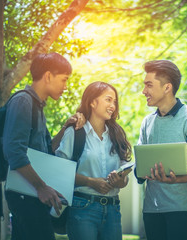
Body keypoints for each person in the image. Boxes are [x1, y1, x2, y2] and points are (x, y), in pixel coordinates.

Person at [3, 52, 84, 240]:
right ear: (48, 76)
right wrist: (41, 187)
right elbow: (14, 152)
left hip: (32, 194)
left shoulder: (37, 106)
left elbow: (48, 151)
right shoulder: (23, 101)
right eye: (63, 80)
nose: (65, 87)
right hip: (26, 194)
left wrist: (65, 128)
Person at [134, 60, 187, 240]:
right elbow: (139, 168)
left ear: (167, 87)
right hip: (152, 209)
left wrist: (174, 180)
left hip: (183, 210)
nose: (144, 91)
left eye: (149, 85)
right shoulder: (147, 122)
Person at [55, 81, 132, 240]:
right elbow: (59, 172)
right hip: (82, 209)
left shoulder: (116, 135)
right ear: (92, 102)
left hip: (113, 210)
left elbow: (125, 175)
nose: (113, 105)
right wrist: (91, 182)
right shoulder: (75, 132)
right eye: (108, 99)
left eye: (114, 101)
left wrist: (119, 181)